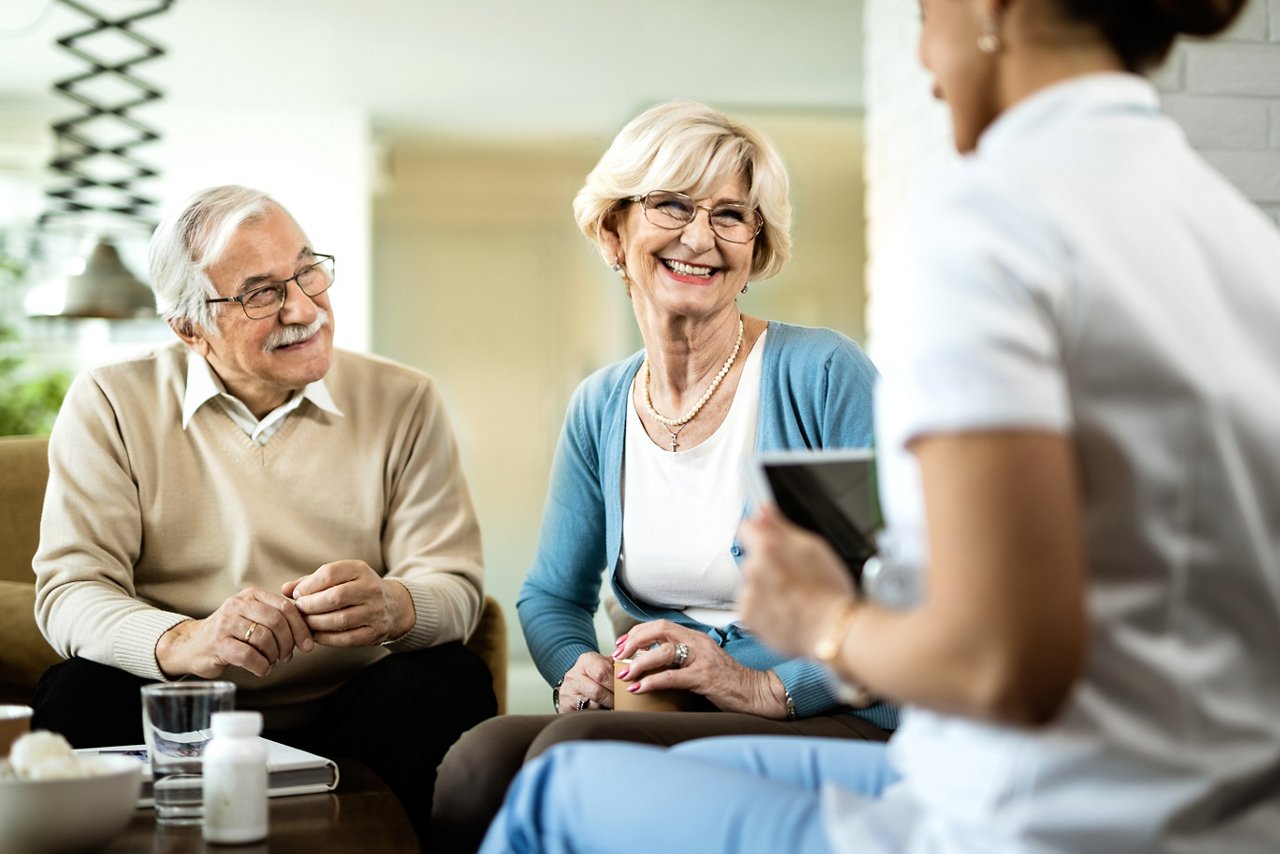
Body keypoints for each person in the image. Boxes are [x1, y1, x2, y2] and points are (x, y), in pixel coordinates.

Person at [479, 0, 1280, 851]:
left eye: (924, 10)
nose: (924, 59)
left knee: (557, 784)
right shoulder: (1239, 234)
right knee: (496, 764)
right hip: (1215, 806)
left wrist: (821, 627)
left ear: (989, 10)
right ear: (617, 232)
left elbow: (1006, 661)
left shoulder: (990, 221)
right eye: (673, 207)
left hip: (1025, 812)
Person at [432, 101, 893, 852]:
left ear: (757, 245)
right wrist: (576, 667)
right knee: (478, 764)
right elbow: (551, 594)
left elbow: (908, 589)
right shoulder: (602, 405)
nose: (700, 238)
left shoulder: (821, 372)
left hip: (825, 708)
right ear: (614, 232)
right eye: (671, 205)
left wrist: (763, 686)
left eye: (731, 216)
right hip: (673, 705)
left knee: (571, 756)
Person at [31, 185, 497, 848]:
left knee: (450, 681)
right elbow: (70, 592)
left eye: (308, 271)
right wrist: (183, 642)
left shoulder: (405, 399)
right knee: (76, 692)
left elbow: (455, 587)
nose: (305, 308)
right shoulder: (109, 401)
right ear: (191, 329)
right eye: (261, 293)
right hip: (181, 710)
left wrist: (395, 605)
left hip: (353, 709)